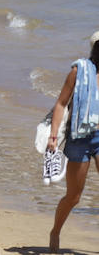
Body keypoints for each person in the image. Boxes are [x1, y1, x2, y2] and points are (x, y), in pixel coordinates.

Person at [46, 30, 99, 251]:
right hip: (80, 136)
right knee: (74, 196)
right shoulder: (79, 71)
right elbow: (60, 103)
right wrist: (53, 135)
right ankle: (55, 232)